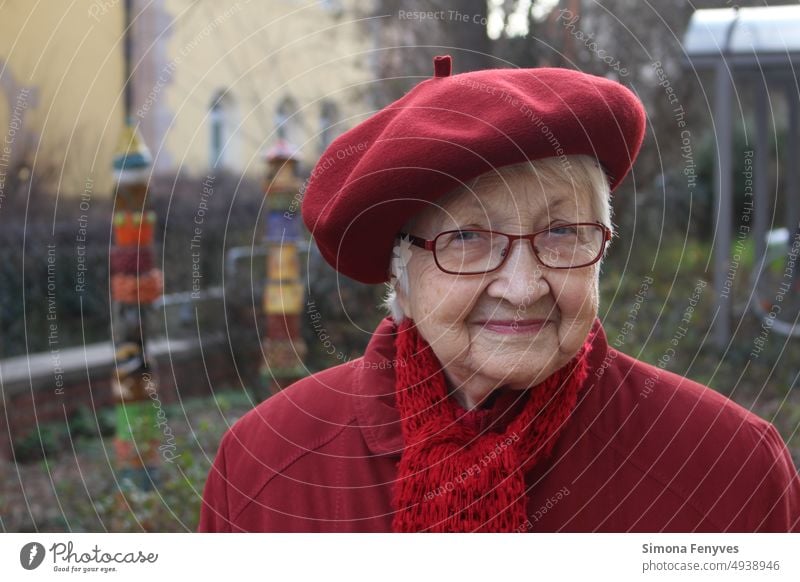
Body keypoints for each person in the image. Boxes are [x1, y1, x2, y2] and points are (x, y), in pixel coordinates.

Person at [199, 56, 800, 532]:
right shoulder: (264, 467)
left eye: (562, 231)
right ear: (399, 266)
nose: (523, 286)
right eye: (467, 238)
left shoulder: (730, 467)